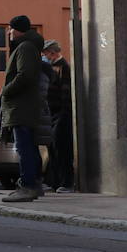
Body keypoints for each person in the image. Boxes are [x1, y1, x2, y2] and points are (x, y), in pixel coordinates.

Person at [0, 15, 53, 203]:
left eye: (11, 28)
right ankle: (33, 184)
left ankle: (28, 186)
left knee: (24, 148)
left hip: (21, 106)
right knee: (29, 146)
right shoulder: (28, 46)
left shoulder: (25, 47)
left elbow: (25, 75)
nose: (9, 32)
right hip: (24, 106)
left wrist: (5, 90)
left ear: (19, 30)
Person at [43, 40, 75, 193]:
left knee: (62, 149)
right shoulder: (52, 68)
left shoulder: (63, 67)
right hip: (52, 113)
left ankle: (66, 182)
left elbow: (66, 93)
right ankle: (54, 182)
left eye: (46, 53)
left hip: (61, 114)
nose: (44, 56)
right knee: (53, 149)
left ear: (52, 52)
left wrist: (63, 113)